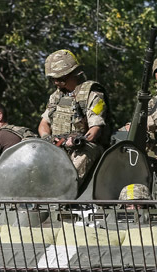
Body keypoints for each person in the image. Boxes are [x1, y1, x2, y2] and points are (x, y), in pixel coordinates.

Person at [38, 49, 110, 185]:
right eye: (54, 79)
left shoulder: (92, 94)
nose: (56, 83)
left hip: (84, 147)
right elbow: (43, 124)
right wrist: (48, 140)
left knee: (68, 178)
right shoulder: (56, 96)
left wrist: (79, 140)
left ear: (73, 74)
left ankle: (63, 198)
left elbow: (95, 130)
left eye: (60, 79)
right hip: (58, 146)